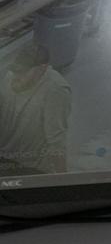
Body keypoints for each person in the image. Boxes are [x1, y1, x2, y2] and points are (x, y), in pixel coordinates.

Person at [0, 39, 72, 178]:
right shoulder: (11, 76)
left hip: (30, 166)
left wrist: (64, 179)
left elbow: (56, 140)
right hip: (4, 156)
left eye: (23, 72)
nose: (16, 77)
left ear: (41, 69)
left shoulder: (55, 90)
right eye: (16, 71)